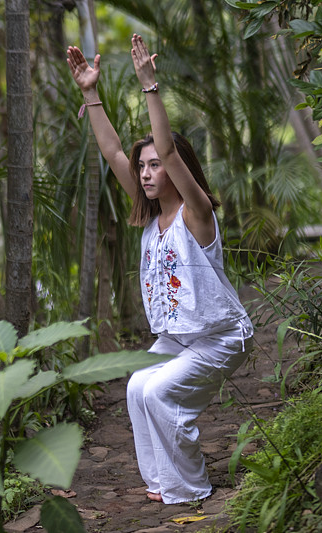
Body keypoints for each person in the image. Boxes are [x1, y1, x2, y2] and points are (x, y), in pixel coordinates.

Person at [67, 34, 254, 505]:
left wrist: (149, 86)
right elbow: (113, 153)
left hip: (219, 336)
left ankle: (189, 488)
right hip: (177, 336)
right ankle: (161, 483)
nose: (147, 173)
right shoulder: (151, 219)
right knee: (136, 387)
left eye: (155, 166)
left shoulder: (197, 215)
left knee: (160, 395)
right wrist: (91, 94)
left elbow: (169, 151)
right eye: (142, 167)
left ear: (177, 168)